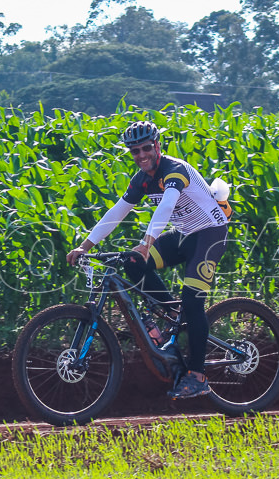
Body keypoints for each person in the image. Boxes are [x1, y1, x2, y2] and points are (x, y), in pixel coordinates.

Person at [65, 120, 230, 399]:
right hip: (185, 234)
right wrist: (84, 245)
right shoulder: (141, 179)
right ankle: (171, 314)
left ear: (157, 146)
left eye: (145, 148)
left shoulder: (174, 171)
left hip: (209, 235)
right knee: (132, 262)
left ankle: (198, 376)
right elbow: (118, 212)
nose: (141, 155)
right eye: (134, 151)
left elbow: (166, 205)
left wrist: (147, 242)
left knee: (192, 300)